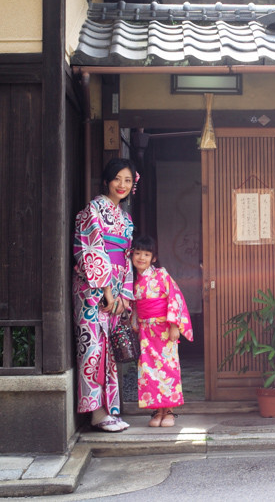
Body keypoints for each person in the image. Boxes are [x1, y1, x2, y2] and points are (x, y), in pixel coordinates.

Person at [73, 158, 138, 432]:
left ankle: (110, 410)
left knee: (109, 351)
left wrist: (124, 296)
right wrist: (107, 292)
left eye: (128, 180)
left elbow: (126, 257)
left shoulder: (126, 218)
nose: (122, 185)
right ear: (106, 181)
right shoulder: (93, 211)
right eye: (117, 179)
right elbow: (92, 250)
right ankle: (96, 412)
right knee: (92, 349)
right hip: (93, 290)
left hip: (116, 290)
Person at [128, 234, 193, 427]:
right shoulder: (131, 280)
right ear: (132, 255)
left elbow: (175, 298)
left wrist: (174, 325)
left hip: (164, 328)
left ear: (153, 258)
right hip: (146, 331)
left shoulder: (161, 275)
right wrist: (134, 325)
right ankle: (157, 411)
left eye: (146, 254)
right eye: (137, 253)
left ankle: (170, 411)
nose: (141, 258)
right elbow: (134, 306)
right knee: (149, 370)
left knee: (168, 367)